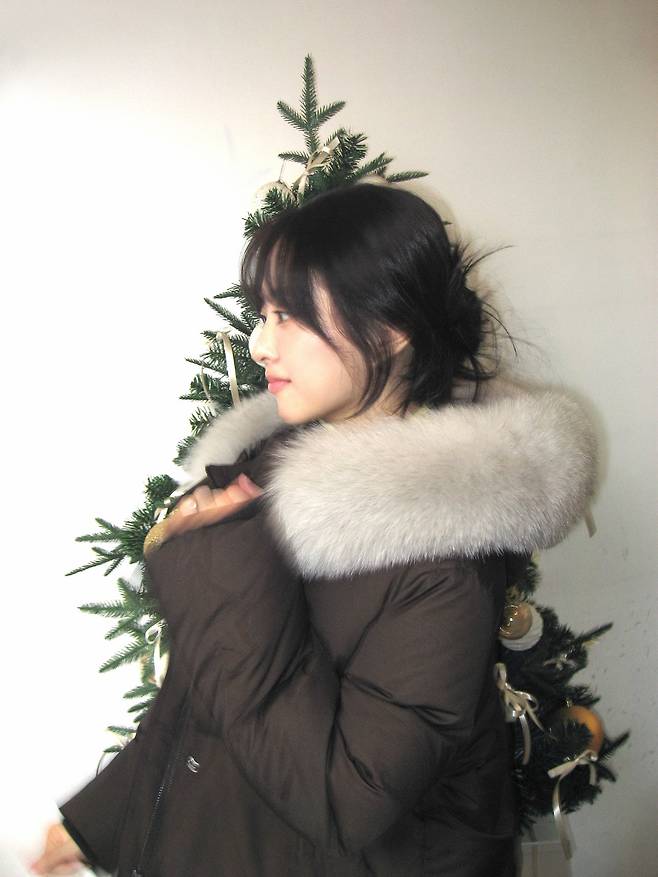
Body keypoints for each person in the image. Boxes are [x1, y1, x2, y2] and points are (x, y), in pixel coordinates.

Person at [32, 183, 597, 876]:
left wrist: (223, 575)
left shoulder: (443, 564)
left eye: (289, 315)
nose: (259, 343)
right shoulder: (267, 475)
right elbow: (201, 702)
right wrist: (100, 823)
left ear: (390, 327)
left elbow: (344, 802)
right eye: (261, 314)